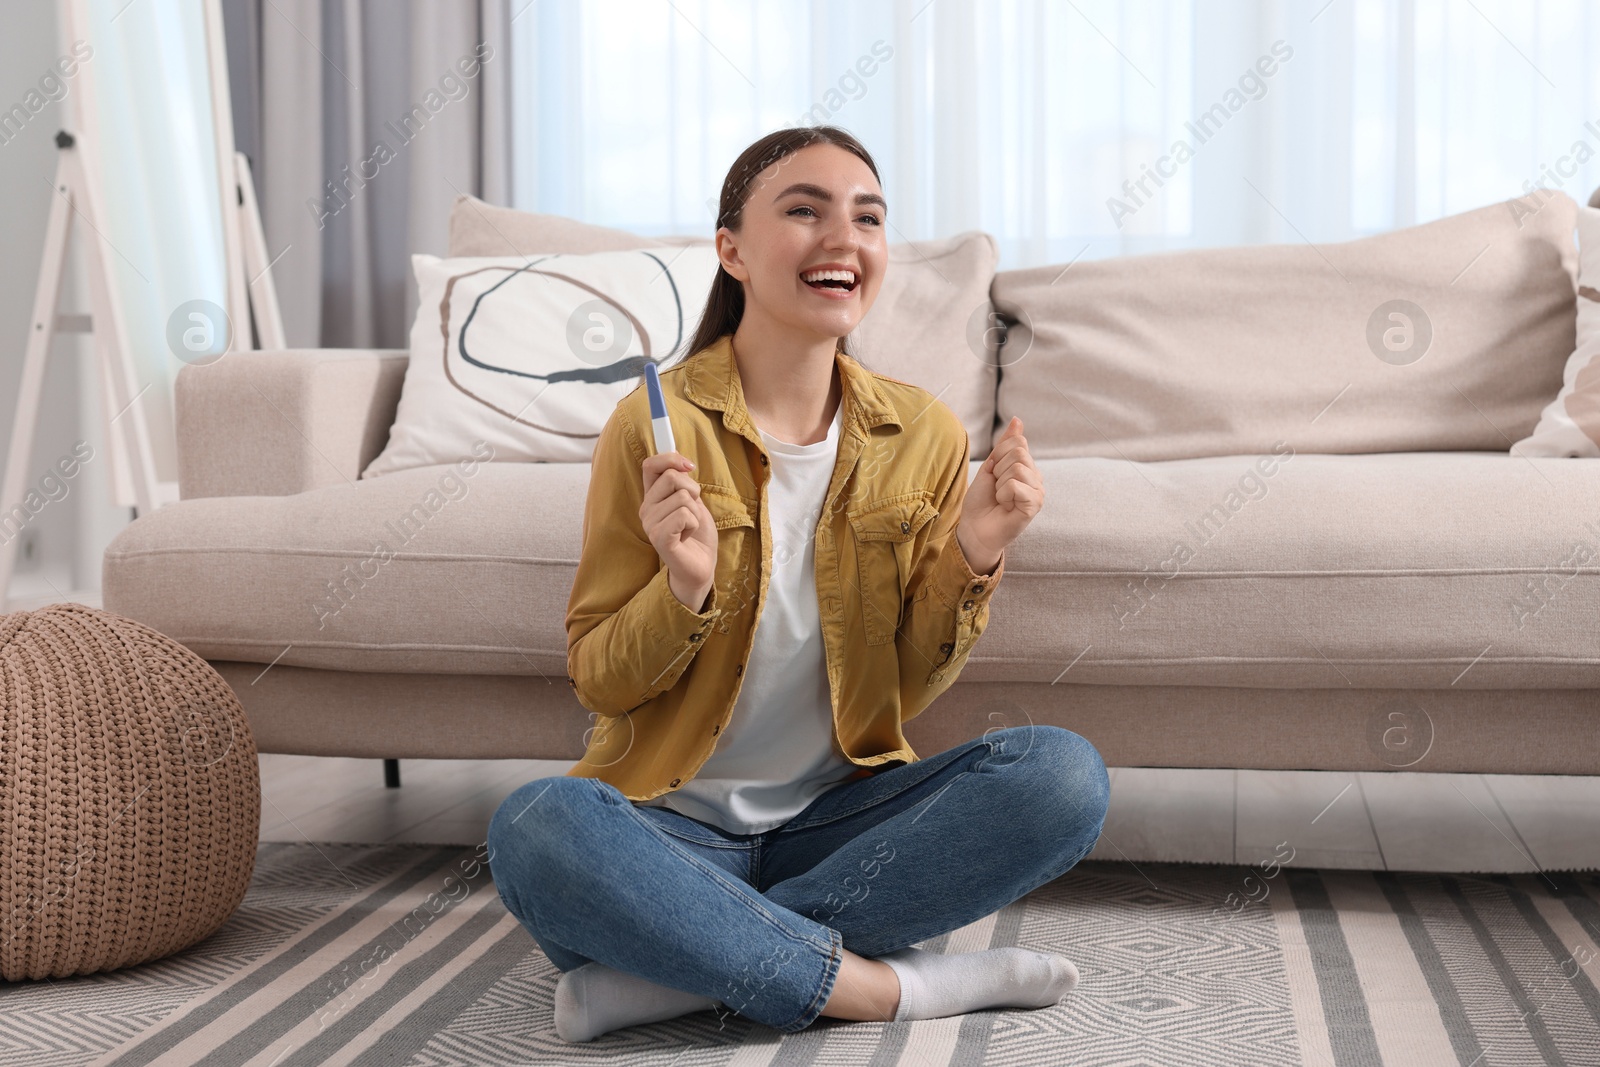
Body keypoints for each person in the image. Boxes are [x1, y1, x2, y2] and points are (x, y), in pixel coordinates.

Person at [487, 125, 1110, 1044]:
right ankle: (890, 987)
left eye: (867, 217)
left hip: (841, 823)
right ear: (731, 249)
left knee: (1063, 776)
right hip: (672, 832)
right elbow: (600, 679)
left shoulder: (924, 434)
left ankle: (686, 968)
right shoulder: (654, 427)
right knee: (540, 823)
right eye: (805, 209)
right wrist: (684, 592)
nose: (843, 237)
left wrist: (972, 551)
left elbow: (901, 689)